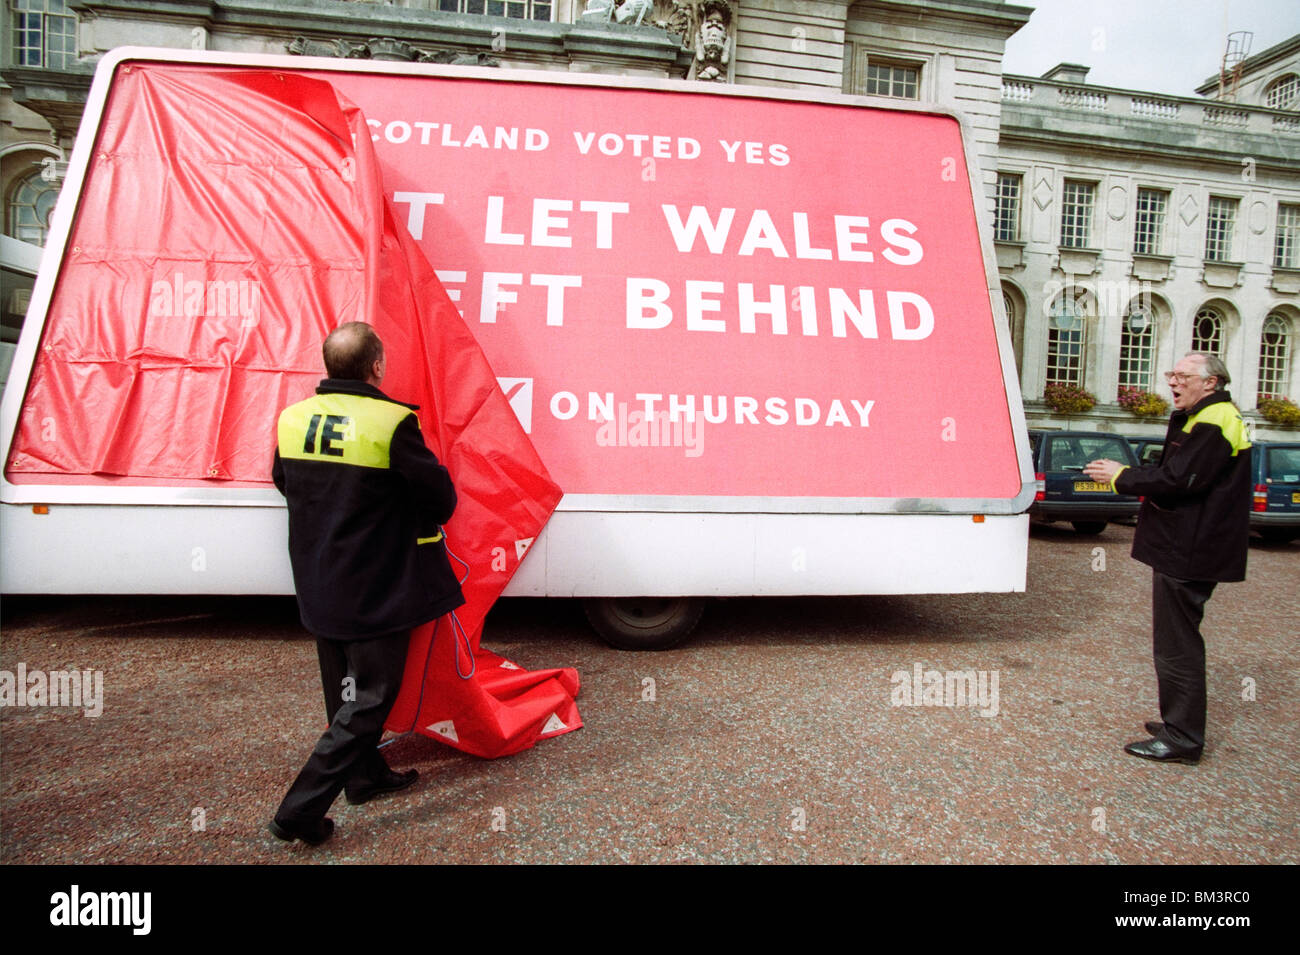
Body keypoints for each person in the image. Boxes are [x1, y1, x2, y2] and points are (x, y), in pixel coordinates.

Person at [268, 321, 464, 844]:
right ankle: (299, 810)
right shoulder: (391, 421)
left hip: (317, 577)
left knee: (344, 691)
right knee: (372, 696)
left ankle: (363, 776)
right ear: (376, 365)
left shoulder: (293, 418)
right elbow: (439, 499)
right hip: (374, 583)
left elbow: (285, 482)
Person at [1083, 352, 1250, 765]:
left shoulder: (1214, 420)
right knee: (1176, 642)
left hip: (1191, 551)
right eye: (1171, 374)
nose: (1173, 382)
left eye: (1182, 376)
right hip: (1187, 547)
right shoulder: (1203, 416)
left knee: (1177, 648)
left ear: (1210, 383)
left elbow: (1181, 479)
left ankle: (1183, 737)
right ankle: (1178, 723)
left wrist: (1121, 476)